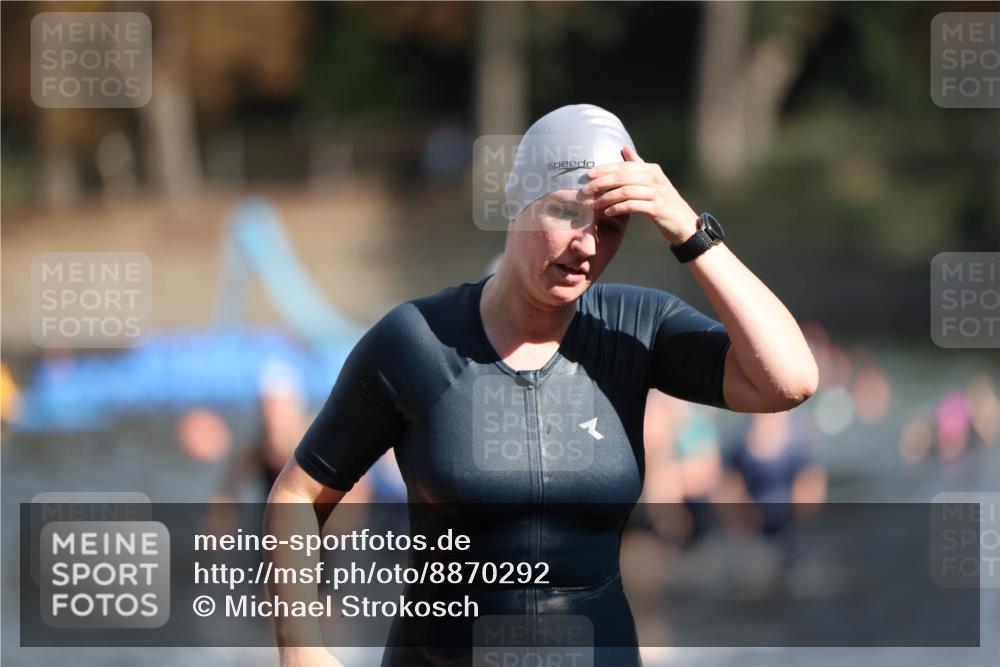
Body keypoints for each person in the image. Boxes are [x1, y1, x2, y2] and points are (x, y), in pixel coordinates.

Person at [264, 103, 818, 667]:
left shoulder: (635, 330)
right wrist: (301, 648)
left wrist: (690, 231)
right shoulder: (417, 340)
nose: (588, 245)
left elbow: (791, 380)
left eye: (610, 227)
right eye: (568, 213)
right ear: (518, 200)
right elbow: (297, 496)